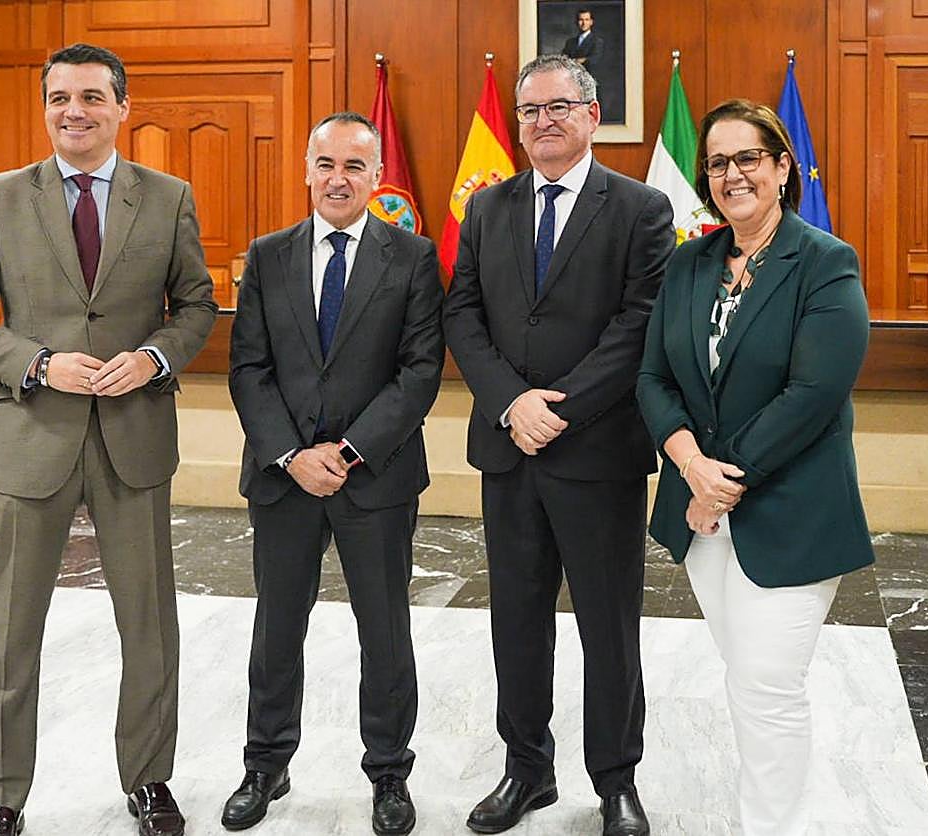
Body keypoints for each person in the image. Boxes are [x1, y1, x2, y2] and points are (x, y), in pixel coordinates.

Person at [0, 43, 217, 836]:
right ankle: (2, 796)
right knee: (10, 630)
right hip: (33, 437)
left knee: (149, 624)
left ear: (123, 108)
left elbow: (196, 305)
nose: (75, 112)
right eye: (60, 98)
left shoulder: (166, 197)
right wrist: (36, 363)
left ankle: (149, 781)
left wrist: (154, 356)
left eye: (92, 97)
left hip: (133, 436)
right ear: (46, 107)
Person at [443, 54, 672, 836]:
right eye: (530, 110)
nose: (542, 121)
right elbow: (461, 317)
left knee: (609, 623)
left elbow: (640, 322)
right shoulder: (487, 208)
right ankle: (526, 770)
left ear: (591, 112)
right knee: (517, 618)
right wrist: (511, 402)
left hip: (597, 452)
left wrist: (559, 409)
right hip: (509, 451)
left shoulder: (640, 208)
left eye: (558, 107)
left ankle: (616, 781)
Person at [636, 98, 875, 835]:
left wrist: (719, 483)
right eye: (717, 162)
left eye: (747, 158)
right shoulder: (689, 260)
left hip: (791, 512)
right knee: (746, 680)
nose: (731, 174)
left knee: (770, 686)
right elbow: (652, 378)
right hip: (703, 517)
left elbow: (813, 395)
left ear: (781, 167)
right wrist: (687, 463)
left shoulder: (826, 262)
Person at [224, 111, 444, 836]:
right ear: (307, 171)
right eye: (326, 164)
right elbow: (250, 367)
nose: (338, 179)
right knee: (275, 627)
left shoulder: (411, 257)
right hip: (284, 479)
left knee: (383, 629)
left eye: (355, 166)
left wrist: (347, 452)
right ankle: (265, 763)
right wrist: (292, 454)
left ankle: (388, 772)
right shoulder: (267, 255)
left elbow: (419, 372)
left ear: (376, 177)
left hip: (373, 478)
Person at [561, 9, 603, 76]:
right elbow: (563, 59)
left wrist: (582, 60)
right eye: (581, 20)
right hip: (571, 79)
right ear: (577, 22)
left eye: (586, 20)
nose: (584, 23)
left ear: (591, 22)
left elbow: (595, 59)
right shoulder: (570, 42)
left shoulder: (597, 41)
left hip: (588, 79)